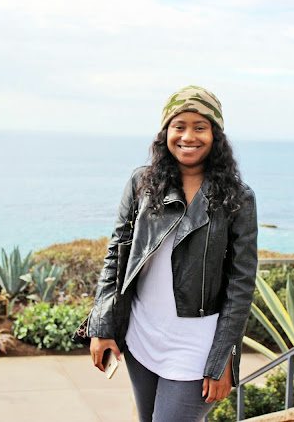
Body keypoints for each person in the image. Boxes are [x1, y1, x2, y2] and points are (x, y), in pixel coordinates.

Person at [87, 85, 258, 421]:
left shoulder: (238, 197)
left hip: (198, 344)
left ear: (215, 134)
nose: (188, 136)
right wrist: (102, 326)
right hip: (142, 334)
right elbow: (116, 256)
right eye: (179, 126)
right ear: (166, 131)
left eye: (200, 127)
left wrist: (224, 357)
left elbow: (241, 284)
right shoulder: (142, 183)